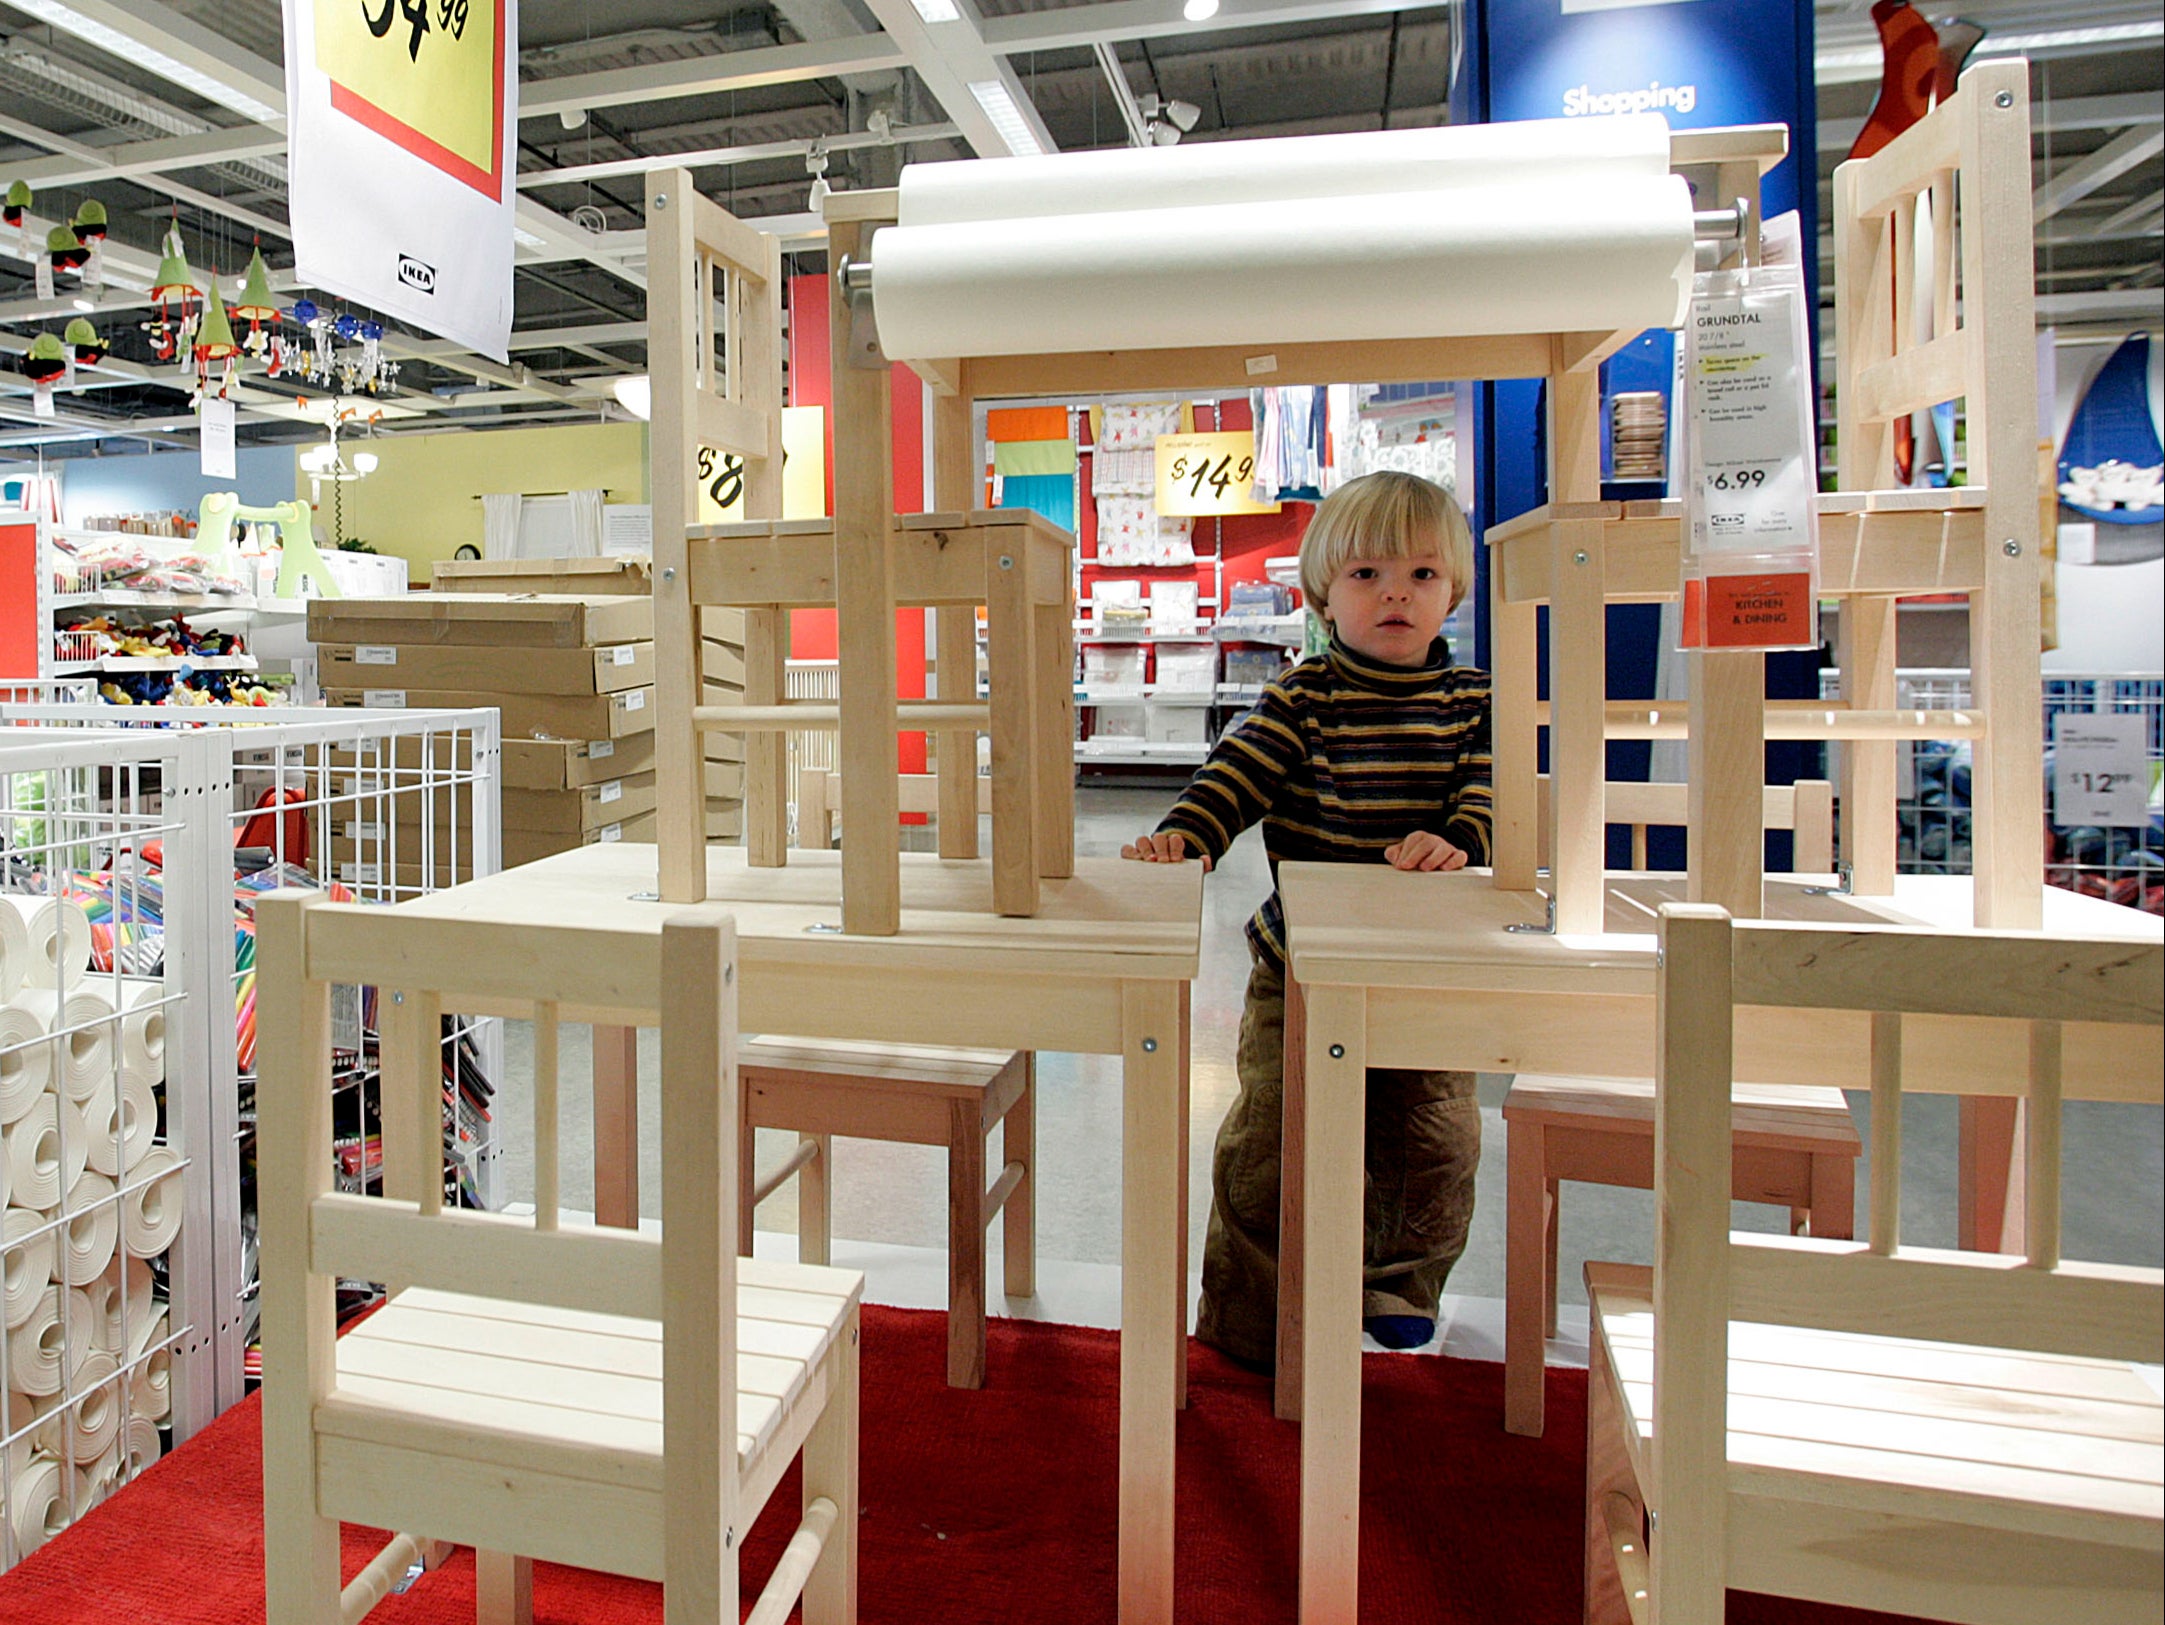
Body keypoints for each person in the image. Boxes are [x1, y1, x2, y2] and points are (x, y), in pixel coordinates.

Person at [1122, 470, 1491, 1370]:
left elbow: (1495, 796)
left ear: (1453, 590)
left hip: (1425, 966)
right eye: (1365, 575)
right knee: (1269, 1139)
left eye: (1420, 574)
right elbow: (1234, 774)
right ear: (1323, 594)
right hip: (1300, 964)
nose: (1395, 593)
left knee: (1431, 1136)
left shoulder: (1474, 701)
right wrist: (1187, 834)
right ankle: (1246, 1309)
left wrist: (1458, 837)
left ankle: (1397, 1280)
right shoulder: (1302, 696)